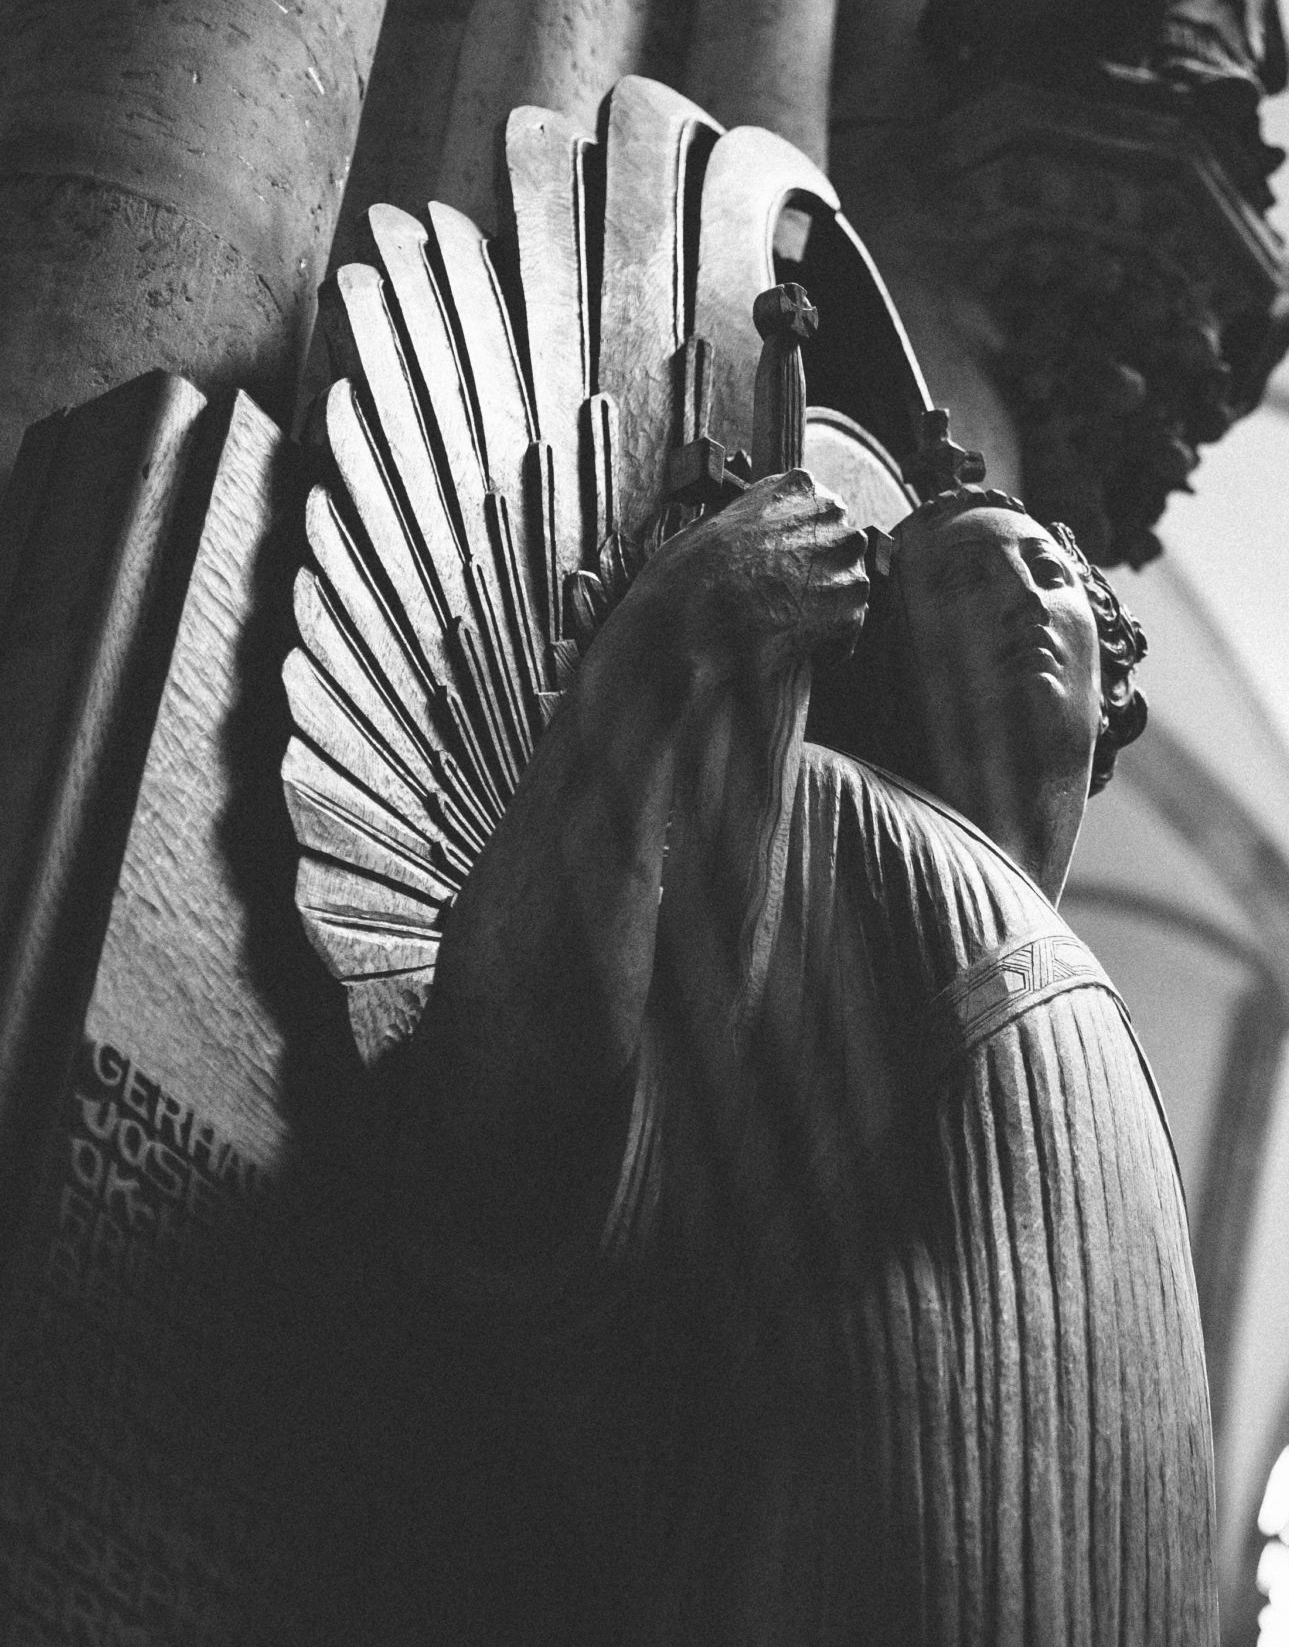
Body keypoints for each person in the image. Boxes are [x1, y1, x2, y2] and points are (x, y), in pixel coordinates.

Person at [394, 469, 1212, 1644]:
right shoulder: (816, 810)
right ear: (888, 651)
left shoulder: (1117, 1035)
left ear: (1110, 667)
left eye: (1047, 574)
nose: (1025, 598)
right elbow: (525, 1119)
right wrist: (669, 637)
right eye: (968, 581)